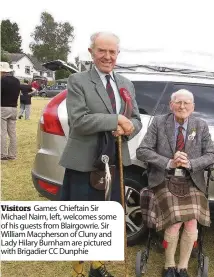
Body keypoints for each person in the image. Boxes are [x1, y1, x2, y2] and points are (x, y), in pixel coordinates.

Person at [58, 32, 142, 277]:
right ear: (91, 52)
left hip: (114, 160)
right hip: (85, 161)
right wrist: (115, 119)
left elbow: (135, 119)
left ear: (118, 54)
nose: (107, 56)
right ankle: (78, 269)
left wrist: (128, 127)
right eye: (102, 51)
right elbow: (79, 121)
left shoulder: (126, 84)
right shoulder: (78, 80)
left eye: (112, 52)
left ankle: (96, 264)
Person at [136, 89, 214, 277]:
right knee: (174, 222)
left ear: (193, 107)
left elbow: (213, 155)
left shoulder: (201, 125)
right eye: (178, 102)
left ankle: (182, 267)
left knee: (191, 223)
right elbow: (142, 151)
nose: (182, 106)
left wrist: (191, 163)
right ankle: (169, 265)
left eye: (186, 103)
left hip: (191, 180)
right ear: (171, 105)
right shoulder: (158, 122)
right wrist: (168, 162)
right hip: (164, 178)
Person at [1, 62, 20, 160]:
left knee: (2, 132)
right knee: (12, 133)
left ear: (2, 71)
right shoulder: (17, 81)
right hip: (14, 108)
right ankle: (12, 155)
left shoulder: (2, 81)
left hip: (3, 108)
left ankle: (2, 154)